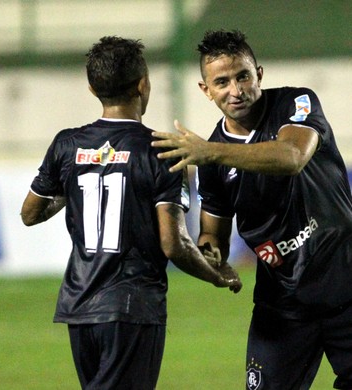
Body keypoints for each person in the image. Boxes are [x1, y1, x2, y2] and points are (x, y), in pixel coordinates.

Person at [152, 30, 352, 390]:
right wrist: (209, 256)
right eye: (221, 82)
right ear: (205, 90)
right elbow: (214, 233)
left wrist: (212, 152)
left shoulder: (296, 103)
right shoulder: (210, 160)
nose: (236, 90)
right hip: (283, 301)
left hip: (349, 281)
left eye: (242, 76)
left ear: (259, 73)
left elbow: (291, 157)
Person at [20, 36, 242, 390]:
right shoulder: (162, 150)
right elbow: (174, 243)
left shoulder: (67, 145)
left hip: (79, 307)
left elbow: (30, 213)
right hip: (131, 307)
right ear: (143, 84)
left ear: (93, 89)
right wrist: (216, 275)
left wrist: (79, 176)